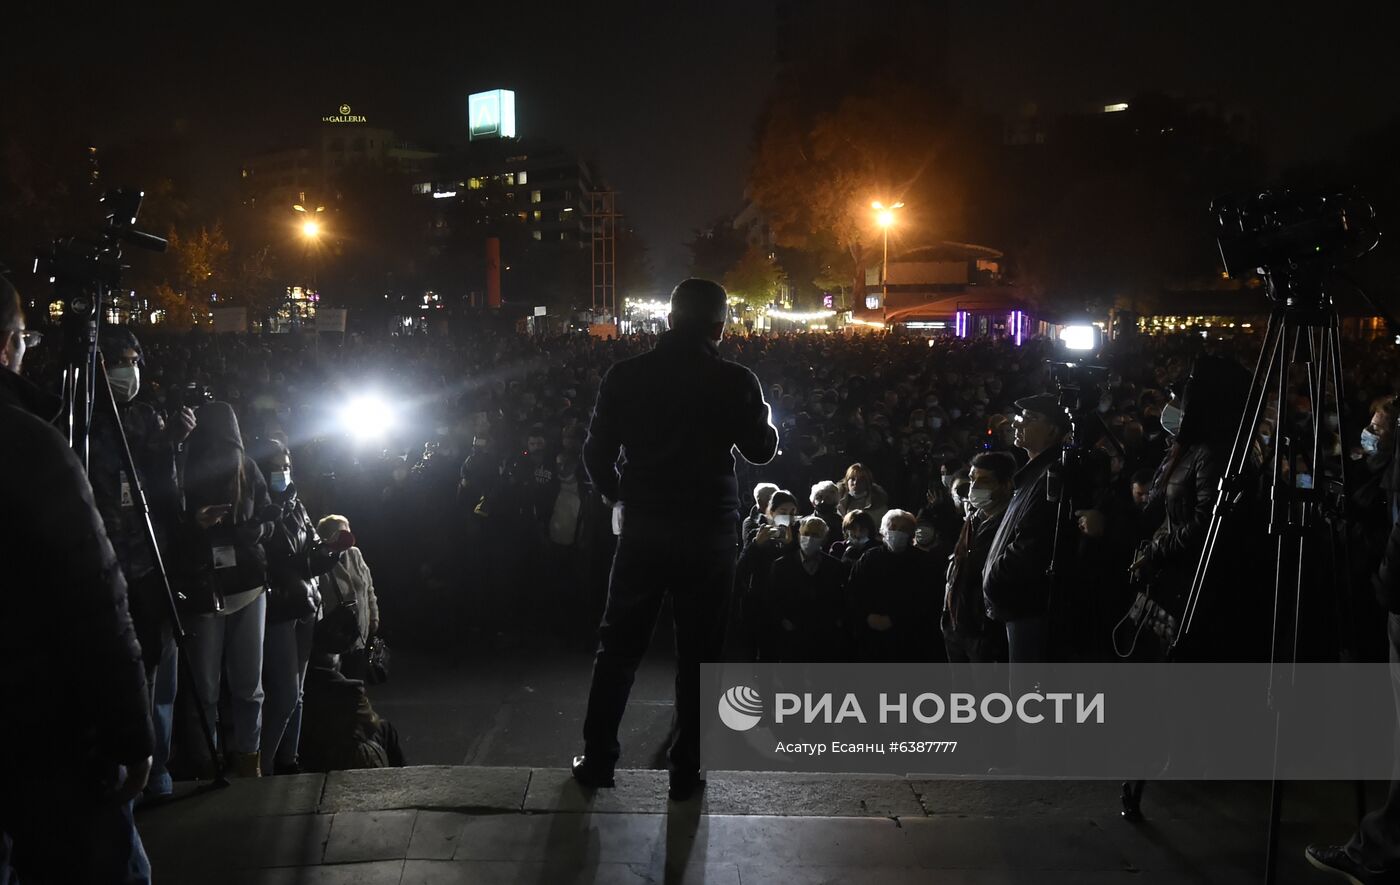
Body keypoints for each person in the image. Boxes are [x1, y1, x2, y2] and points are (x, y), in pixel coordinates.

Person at [574, 278, 777, 801]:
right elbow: (761, 449)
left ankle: (598, 760)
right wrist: (766, 421)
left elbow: (595, 453)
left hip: (645, 525)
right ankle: (686, 771)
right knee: (700, 654)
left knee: (619, 647)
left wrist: (619, 496)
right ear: (720, 327)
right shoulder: (735, 380)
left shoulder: (626, 376)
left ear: (669, 320)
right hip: (709, 531)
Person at [0, 279, 154, 882]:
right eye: (23, 337)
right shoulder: (30, 445)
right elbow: (95, 603)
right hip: (41, 738)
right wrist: (131, 735)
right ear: (7, 344)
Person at [88, 324, 191, 801]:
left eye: (134, 362)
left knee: (161, 674)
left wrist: (172, 443)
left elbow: (165, 488)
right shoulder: (79, 419)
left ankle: (159, 767)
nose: (129, 372)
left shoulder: (147, 417)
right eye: (119, 362)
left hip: (150, 563)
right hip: (105, 566)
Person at [174, 401, 277, 777]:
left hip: (247, 586)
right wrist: (195, 525)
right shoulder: (184, 468)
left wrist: (254, 531)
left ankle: (247, 761)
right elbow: (170, 526)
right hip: (206, 588)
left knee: (247, 685)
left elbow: (268, 518)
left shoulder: (246, 468)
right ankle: (209, 763)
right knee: (207, 688)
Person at [254, 439, 342, 775]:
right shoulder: (258, 508)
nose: (283, 472)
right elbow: (271, 559)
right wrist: (301, 565)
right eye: (276, 467)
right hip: (279, 607)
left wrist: (327, 553)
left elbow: (310, 550)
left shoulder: (296, 504)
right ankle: (260, 766)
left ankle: (288, 759)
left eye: (286, 466)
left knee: (298, 692)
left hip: (305, 602)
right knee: (286, 694)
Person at [981, 394, 1069, 663]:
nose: (1017, 424)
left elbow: (1031, 545)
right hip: (1015, 605)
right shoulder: (1033, 474)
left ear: (1052, 430)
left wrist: (994, 577)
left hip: (1027, 607)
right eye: (1020, 417)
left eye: (1030, 418)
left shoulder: (1049, 477)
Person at [942, 452, 1015, 664]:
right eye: (973, 479)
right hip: (957, 624)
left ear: (1005, 484)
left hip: (985, 632)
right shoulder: (974, 518)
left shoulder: (1011, 523)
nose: (974, 486)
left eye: (984, 481)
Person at [846, 509, 941, 662]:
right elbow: (854, 591)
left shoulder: (925, 562)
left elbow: (928, 600)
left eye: (903, 529)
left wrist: (895, 620)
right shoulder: (869, 558)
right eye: (893, 527)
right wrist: (866, 616)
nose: (897, 532)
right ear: (883, 531)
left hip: (910, 639)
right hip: (872, 639)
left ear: (911, 534)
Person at [768, 516, 850, 662]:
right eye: (806, 534)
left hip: (825, 635)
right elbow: (773, 597)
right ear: (799, 536)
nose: (810, 538)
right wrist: (783, 620)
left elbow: (840, 598)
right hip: (793, 633)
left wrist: (837, 621)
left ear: (824, 539)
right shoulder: (781, 565)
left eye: (815, 535)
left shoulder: (835, 566)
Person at [734, 489, 800, 661]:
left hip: (785, 604)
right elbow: (741, 569)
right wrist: (756, 544)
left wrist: (789, 546)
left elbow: (797, 570)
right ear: (772, 511)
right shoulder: (757, 533)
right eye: (783, 511)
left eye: (792, 512)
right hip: (759, 604)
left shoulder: (797, 535)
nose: (788, 517)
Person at [316, 515, 380, 659]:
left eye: (348, 532)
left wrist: (374, 617)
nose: (347, 537)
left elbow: (368, 588)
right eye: (342, 533)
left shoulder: (355, 554)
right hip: (334, 637)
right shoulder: (320, 559)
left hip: (360, 635)